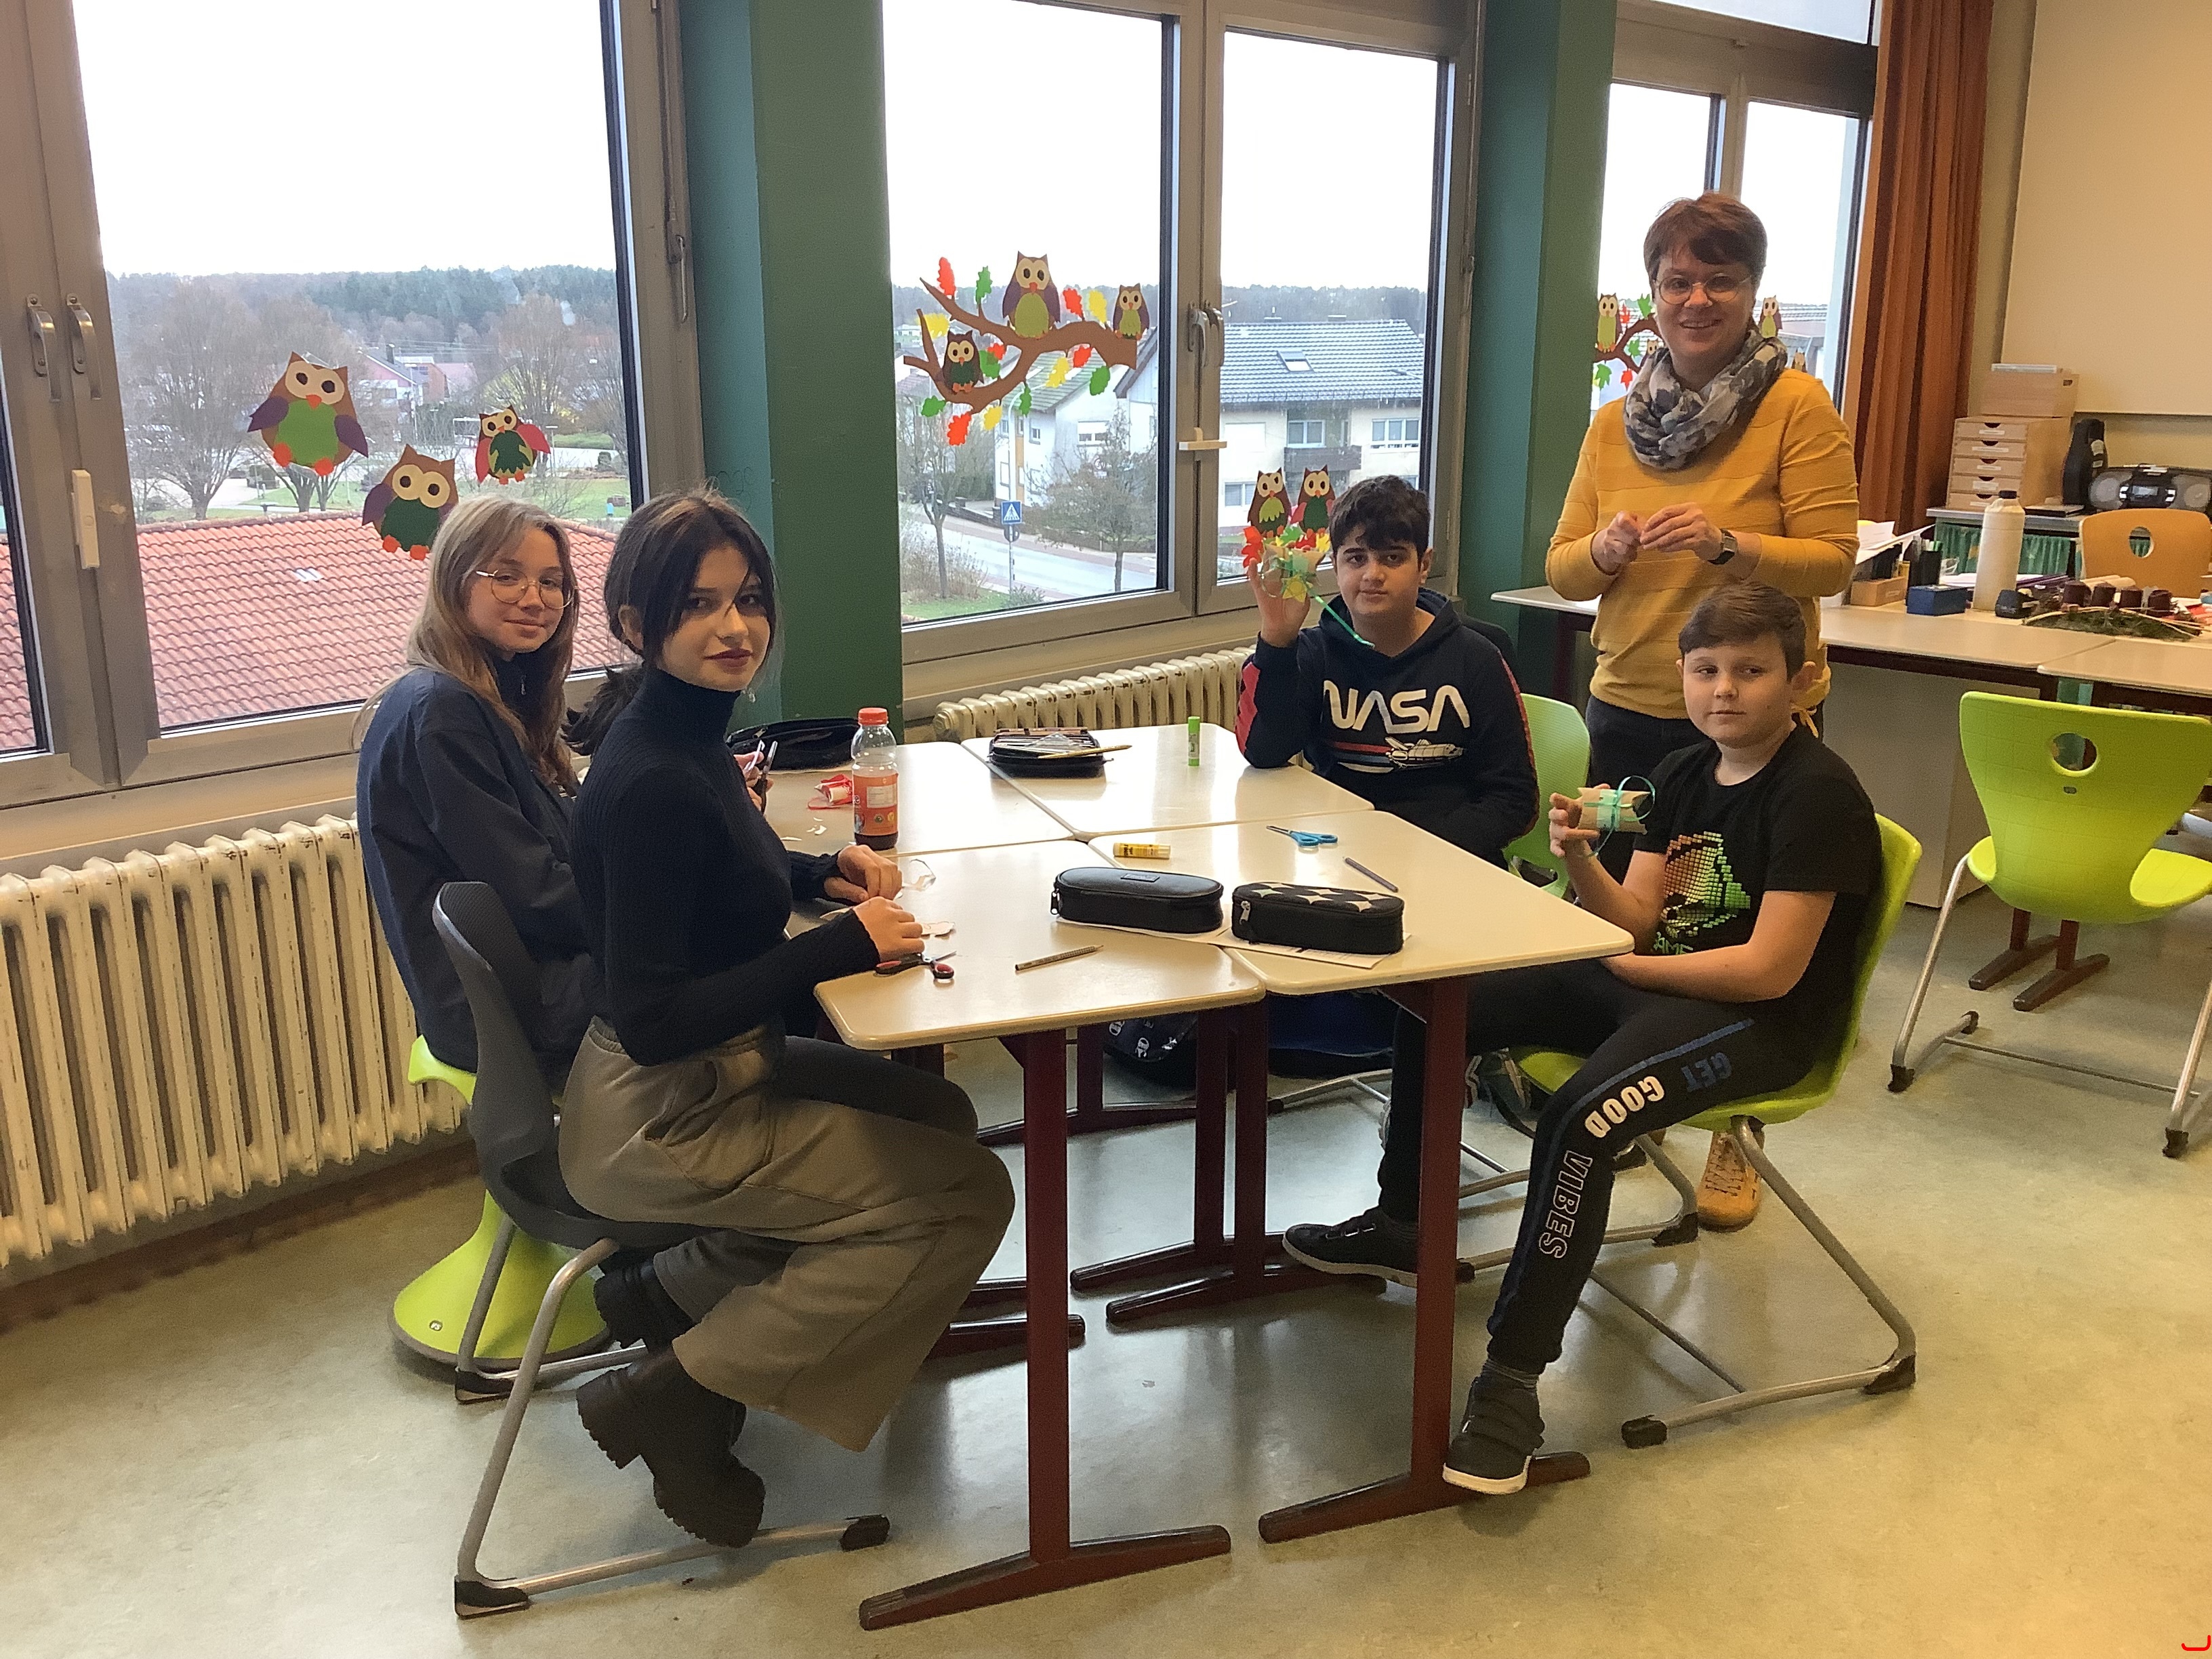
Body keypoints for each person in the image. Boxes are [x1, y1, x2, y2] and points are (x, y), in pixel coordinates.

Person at [1284, 583, 1880, 1493]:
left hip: (1756, 1021)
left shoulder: (1819, 794)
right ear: (1682, 676)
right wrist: (1576, 858)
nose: (1724, 690)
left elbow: (1770, 971)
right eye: (1706, 670)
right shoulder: (1684, 771)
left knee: (1583, 1118)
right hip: (1656, 981)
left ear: (1801, 680)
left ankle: (1513, 1384)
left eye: (1751, 671)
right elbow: (1636, 918)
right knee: (1437, 1003)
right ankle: (1404, 1224)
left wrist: (1636, 968)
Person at [556, 489, 1015, 1548]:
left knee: (937, 1118)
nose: (735, 626)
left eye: (750, 599)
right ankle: (674, 1394)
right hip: (663, 1112)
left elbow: (705, 878)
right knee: (964, 1197)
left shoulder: (679, 734)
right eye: (699, 604)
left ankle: (671, 1294)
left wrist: (817, 874)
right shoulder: (653, 777)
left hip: (708, 1071)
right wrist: (838, 946)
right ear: (635, 621)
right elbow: (656, 1015)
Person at [1547, 191, 1860, 1226]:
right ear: (1652, 294)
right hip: (1630, 706)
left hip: (1749, 720)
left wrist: (1733, 547)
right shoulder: (1613, 421)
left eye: (1719, 280)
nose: (1696, 299)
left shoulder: (1796, 407)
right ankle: (1627, 1103)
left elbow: (1834, 560)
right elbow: (1561, 567)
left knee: (1735, 922)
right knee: (1635, 917)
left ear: (1751, 293)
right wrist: (1602, 554)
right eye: (1677, 280)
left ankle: (1735, 1132)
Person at [357, 494, 596, 1084]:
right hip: (513, 1008)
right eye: (507, 577)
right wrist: (669, 911)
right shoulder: (443, 713)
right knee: (734, 963)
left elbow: (568, 843)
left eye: (551, 582)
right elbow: (535, 896)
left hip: (531, 980)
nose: (534, 599)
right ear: (456, 580)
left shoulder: (495, 695)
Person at [1237, 474, 1537, 863]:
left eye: (1393, 558)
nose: (1372, 574)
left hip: (1448, 859)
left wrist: (1413, 851)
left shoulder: (1477, 657)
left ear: (1423, 565)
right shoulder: (1314, 653)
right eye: (1356, 558)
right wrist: (1277, 641)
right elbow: (1264, 753)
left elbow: (1515, 799)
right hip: (1340, 855)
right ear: (1335, 565)